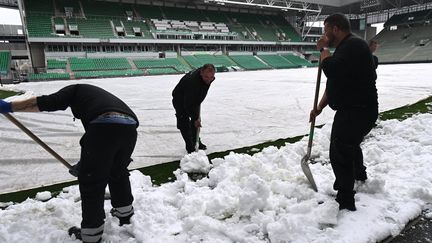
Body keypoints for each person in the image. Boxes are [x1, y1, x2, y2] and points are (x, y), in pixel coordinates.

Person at [0, 84, 139, 243]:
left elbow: (46, 102)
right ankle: (125, 215)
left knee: (92, 182)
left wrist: (9, 106)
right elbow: (103, 142)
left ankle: (91, 235)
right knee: (118, 172)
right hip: (129, 127)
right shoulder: (95, 95)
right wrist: (87, 161)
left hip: (104, 124)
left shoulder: (74, 90)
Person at [310, 13, 378, 211]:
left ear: (336, 29)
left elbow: (331, 69)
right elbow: (334, 85)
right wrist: (319, 108)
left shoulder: (353, 46)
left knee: (340, 150)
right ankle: (359, 176)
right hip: (357, 110)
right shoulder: (346, 48)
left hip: (357, 111)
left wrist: (323, 49)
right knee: (350, 145)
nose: (324, 34)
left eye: (325, 30)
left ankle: (346, 199)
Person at [172, 63, 215, 153]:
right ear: (201, 73)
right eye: (206, 77)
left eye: (211, 77)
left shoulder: (207, 77)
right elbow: (188, 104)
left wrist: (196, 117)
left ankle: (196, 140)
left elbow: (200, 92)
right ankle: (189, 146)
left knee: (195, 121)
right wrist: (196, 118)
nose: (209, 80)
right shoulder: (192, 82)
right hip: (180, 99)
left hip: (194, 98)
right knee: (184, 121)